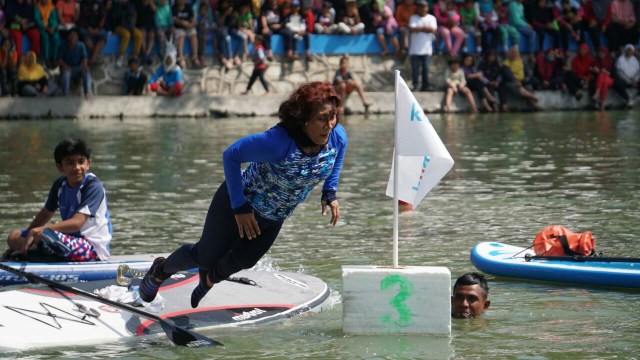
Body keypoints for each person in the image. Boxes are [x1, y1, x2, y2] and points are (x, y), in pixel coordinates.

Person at [137, 82, 347, 309]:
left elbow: (339, 153)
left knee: (244, 260)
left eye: (333, 116)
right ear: (304, 118)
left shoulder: (336, 136)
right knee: (204, 256)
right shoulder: (278, 142)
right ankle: (160, 271)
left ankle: (208, 279)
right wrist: (240, 207)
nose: (330, 125)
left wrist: (330, 191)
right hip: (237, 202)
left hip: (275, 215)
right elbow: (231, 155)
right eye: (322, 119)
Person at [3, 138, 112, 262]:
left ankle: (39, 254)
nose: (77, 167)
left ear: (88, 164)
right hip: (65, 240)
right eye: (70, 163)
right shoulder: (60, 184)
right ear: (60, 167)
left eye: (81, 162)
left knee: (44, 235)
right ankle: (36, 252)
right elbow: (45, 214)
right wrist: (21, 241)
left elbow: (77, 223)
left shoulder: (92, 186)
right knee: (14, 236)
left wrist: (41, 230)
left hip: (92, 247)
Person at [409, 0, 437, 92]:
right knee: (415, 69)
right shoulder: (413, 17)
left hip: (427, 49)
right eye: (420, 7)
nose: (422, 9)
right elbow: (412, 28)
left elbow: (432, 29)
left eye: (424, 7)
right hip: (414, 49)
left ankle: (426, 86)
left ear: (427, 8)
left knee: (426, 68)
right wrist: (425, 28)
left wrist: (419, 28)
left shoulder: (432, 18)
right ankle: (415, 85)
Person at [58, 29, 92, 98]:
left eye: (75, 36)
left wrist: (85, 65)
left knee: (86, 71)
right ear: (68, 37)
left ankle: (88, 92)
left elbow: (84, 57)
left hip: (78, 68)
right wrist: (65, 66)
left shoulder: (81, 45)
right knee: (66, 74)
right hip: (68, 68)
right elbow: (59, 60)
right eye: (71, 36)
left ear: (77, 38)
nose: (73, 38)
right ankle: (66, 94)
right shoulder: (62, 46)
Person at [110, 0, 142, 67]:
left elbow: (132, 17)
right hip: (119, 27)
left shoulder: (130, 5)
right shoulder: (116, 5)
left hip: (130, 27)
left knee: (139, 35)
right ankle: (121, 56)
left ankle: (135, 56)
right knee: (127, 35)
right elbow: (115, 18)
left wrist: (131, 26)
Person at [77, 0, 108, 65]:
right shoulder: (83, 3)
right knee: (84, 34)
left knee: (103, 36)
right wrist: (88, 27)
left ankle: (93, 57)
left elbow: (103, 17)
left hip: (97, 28)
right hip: (86, 27)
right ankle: (95, 56)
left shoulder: (99, 3)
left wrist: (98, 28)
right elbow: (81, 17)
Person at [173, 0, 201, 67]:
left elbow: (193, 19)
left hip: (188, 27)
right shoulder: (174, 7)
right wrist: (181, 22)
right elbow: (174, 19)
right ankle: (180, 58)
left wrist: (190, 25)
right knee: (181, 35)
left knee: (193, 33)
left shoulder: (188, 7)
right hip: (178, 28)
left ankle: (195, 57)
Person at [35, 0, 60, 69]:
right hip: (42, 28)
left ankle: (54, 58)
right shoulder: (37, 7)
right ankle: (47, 59)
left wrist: (52, 27)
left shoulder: (51, 7)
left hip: (51, 28)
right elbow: (37, 19)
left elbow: (54, 19)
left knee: (56, 38)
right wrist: (46, 28)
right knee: (45, 38)